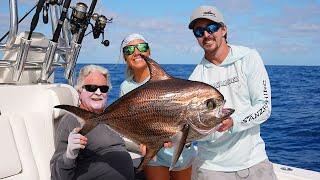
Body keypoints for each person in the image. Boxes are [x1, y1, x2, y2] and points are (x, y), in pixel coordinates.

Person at [187, 5, 277, 180]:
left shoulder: (249, 57)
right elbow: (194, 130)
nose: (206, 35)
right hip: (211, 167)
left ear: (223, 29)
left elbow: (264, 107)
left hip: (254, 162)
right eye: (199, 31)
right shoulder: (195, 79)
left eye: (211, 28)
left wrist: (233, 121)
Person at [119, 33, 197, 180]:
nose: (136, 52)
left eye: (141, 47)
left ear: (149, 51)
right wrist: (140, 141)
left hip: (179, 151)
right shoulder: (125, 87)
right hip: (153, 154)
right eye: (129, 50)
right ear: (125, 58)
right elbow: (130, 122)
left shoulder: (166, 81)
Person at [50, 65, 135, 180]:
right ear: (79, 91)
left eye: (103, 89)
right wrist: (69, 154)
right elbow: (58, 176)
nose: (98, 92)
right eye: (91, 88)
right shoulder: (72, 119)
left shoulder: (108, 118)